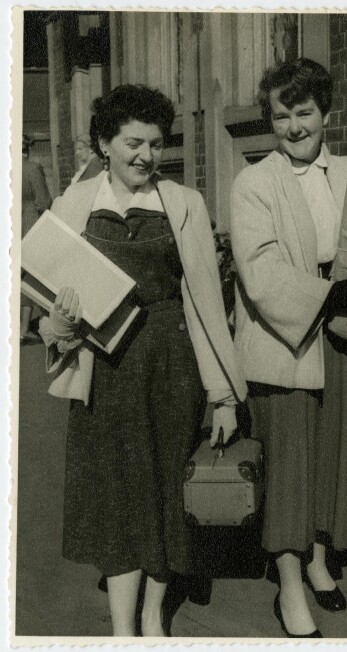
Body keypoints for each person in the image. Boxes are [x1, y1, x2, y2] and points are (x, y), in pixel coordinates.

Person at [38, 84, 247, 636]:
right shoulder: (73, 205)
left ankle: (153, 618)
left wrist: (223, 396)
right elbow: (48, 309)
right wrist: (61, 322)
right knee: (115, 498)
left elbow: (205, 303)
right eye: (133, 143)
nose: (146, 156)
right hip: (103, 371)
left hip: (171, 367)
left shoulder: (184, 203)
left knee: (165, 492)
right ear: (105, 143)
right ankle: (122, 631)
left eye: (156, 144)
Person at [230, 58, 347, 638]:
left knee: (332, 455)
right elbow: (259, 271)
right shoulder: (255, 183)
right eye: (281, 116)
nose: (294, 127)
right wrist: (332, 303)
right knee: (290, 466)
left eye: (304, 112)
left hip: (346, 333)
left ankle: (320, 560)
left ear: (326, 112)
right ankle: (289, 586)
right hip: (288, 336)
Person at [21, 133, 51, 341]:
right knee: (33, 275)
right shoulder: (32, 168)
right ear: (28, 148)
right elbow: (43, 201)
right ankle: (25, 328)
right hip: (31, 225)